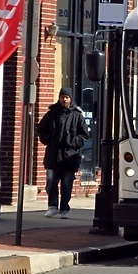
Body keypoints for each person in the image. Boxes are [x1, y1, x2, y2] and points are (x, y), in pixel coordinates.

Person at [37, 87, 90, 218]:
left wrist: (73, 142)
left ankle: (64, 209)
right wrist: (49, 139)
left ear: (70, 99)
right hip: (53, 155)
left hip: (70, 156)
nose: (64, 100)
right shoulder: (51, 114)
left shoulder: (77, 116)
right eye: (62, 97)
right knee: (51, 182)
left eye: (67, 97)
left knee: (66, 184)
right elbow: (41, 130)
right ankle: (52, 206)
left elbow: (84, 135)